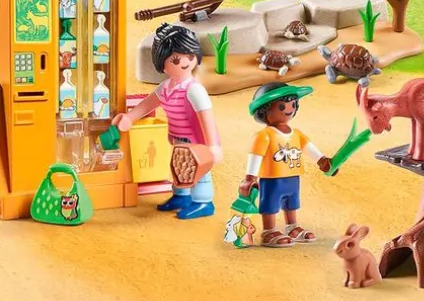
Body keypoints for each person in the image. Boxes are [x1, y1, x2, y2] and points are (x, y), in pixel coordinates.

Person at [112, 23, 222, 219]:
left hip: (198, 142)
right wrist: (130, 117)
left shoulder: (194, 89)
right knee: (180, 166)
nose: (185, 62)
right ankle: (181, 196)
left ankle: (203, 202)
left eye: (190, 56)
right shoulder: (166, 87)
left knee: (199, 170)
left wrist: (212, 145)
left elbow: (206, 117)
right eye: (176, 59)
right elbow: (148, 104)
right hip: (178, 139)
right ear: (162, 62)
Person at [239, 82, 332, 248]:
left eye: (294, 104)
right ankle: (268, 231)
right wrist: (250, 178)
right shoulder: (264, 135)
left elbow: (308, 148)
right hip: (272, 179)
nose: (290, 109)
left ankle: (292, 227)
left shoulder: (297, 134)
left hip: (292, 177)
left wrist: (322, 160)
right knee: (270, 204)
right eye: (282, 106)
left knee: (292, 202)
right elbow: (255, 156)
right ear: (265, 110)